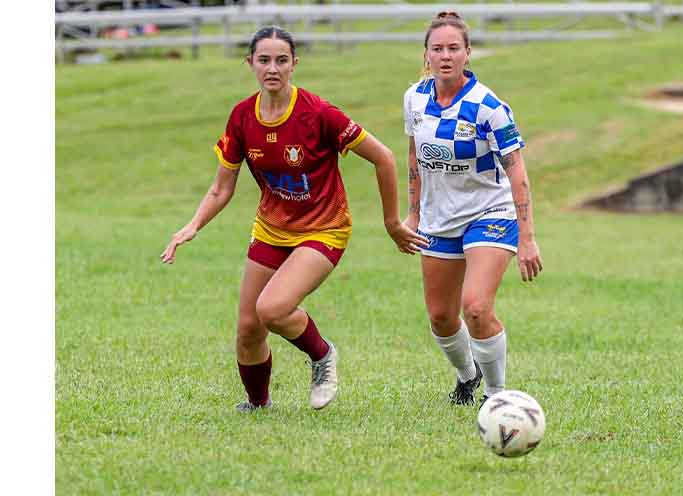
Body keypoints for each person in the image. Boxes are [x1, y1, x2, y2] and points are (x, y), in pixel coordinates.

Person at [161, 26, 427, 412]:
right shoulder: (241, 117)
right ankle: (257, 405)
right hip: (271, 229)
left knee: (271, 309)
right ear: (250, 63)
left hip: (325, 228)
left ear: (294, 65)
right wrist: (193, 225)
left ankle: (322, 356)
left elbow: (383, 157)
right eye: (264, 60)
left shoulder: (318, 114)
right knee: (248, 328)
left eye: (281, 60)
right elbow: (221, 188)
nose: (273, 68)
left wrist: (391, 223)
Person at [402, 12, 543, 406]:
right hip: (439, 218)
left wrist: (528, 238)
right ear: (426, 54)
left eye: (453, 48)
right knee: (441, 318)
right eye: (437, 49)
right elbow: (414, 158)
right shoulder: (414, 98)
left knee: (477, 307)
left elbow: (518, 173)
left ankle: (497, 398)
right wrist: (413, 213)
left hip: (490, 214)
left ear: (468, 53)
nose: (445, 56)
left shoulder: (489, 107)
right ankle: (468, 374)